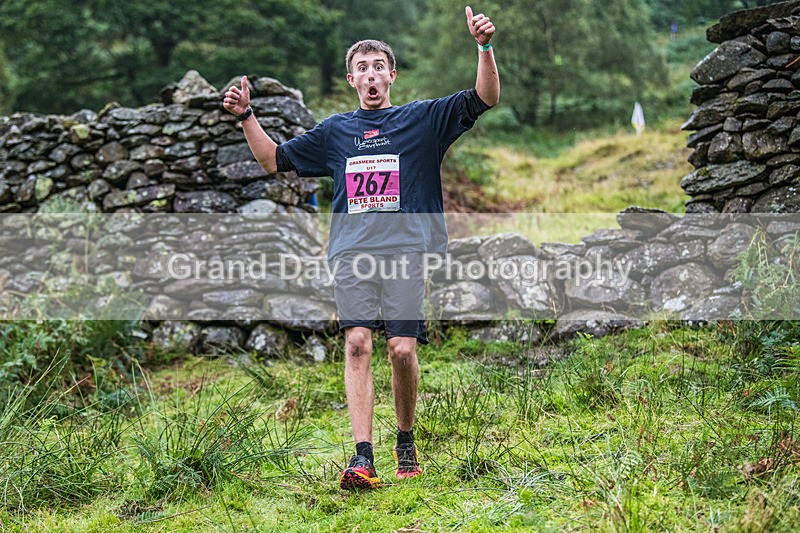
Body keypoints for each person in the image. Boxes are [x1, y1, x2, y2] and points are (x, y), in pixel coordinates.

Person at [223, 5, 499, 491]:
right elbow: (271, 161)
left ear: (391, 75)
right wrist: (247, 115)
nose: (370, 76)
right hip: (351, 253)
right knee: (356, 343)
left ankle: (406, 440)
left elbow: (485, 97)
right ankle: (362, 456)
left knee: (401, 349)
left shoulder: (423, 119)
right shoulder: (335, 132)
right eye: (361, 69)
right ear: (351, 79)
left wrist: (483, 47)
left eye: (378, 67)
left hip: (407, 251)